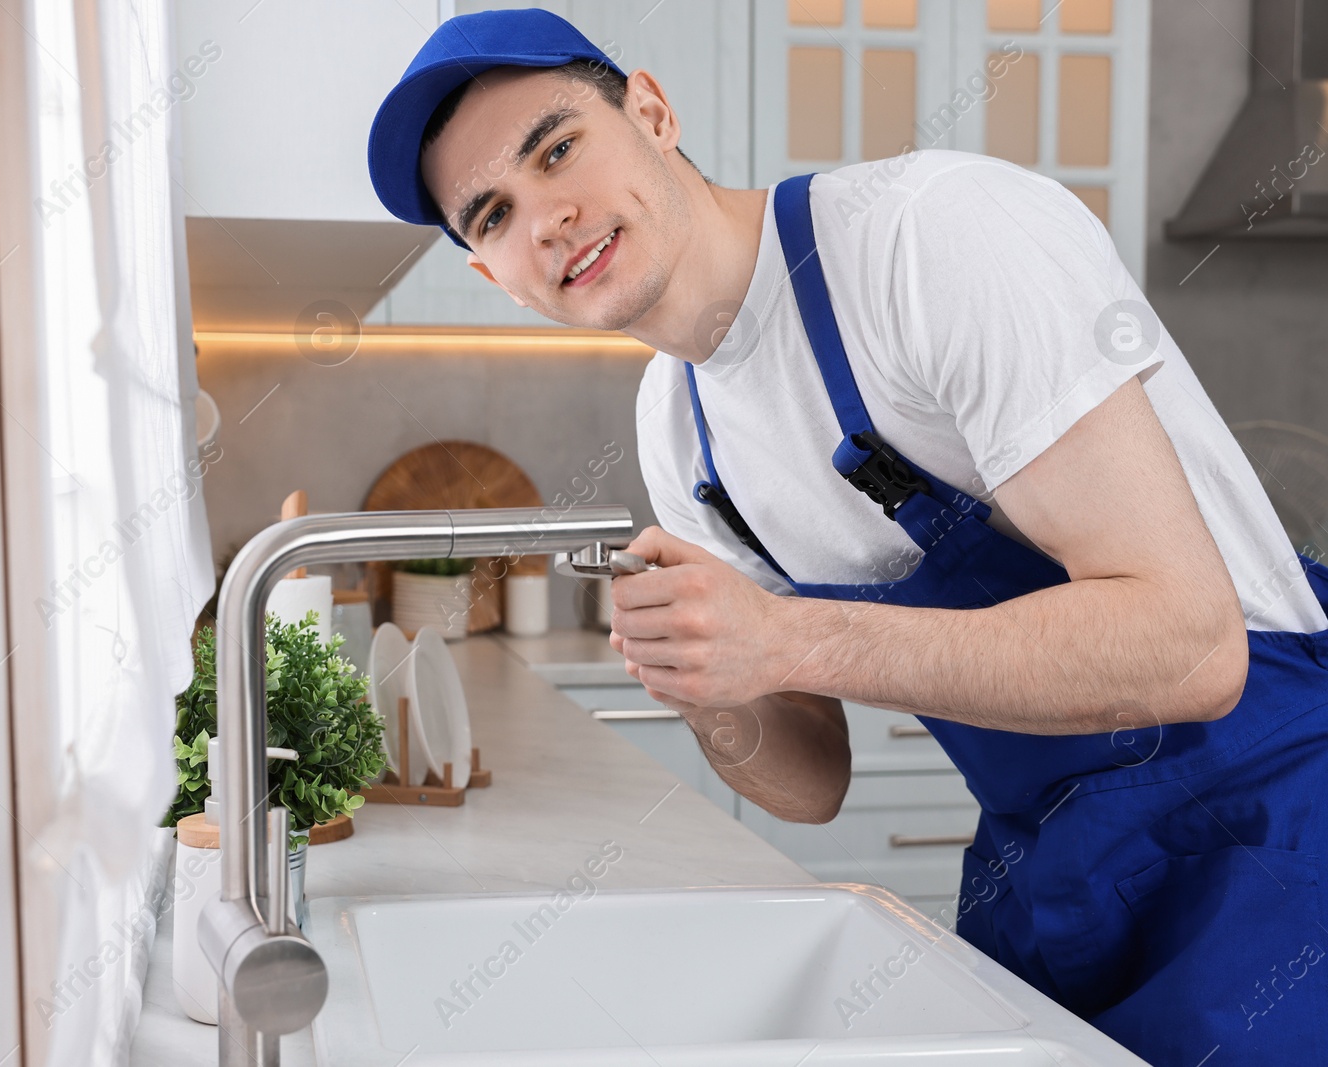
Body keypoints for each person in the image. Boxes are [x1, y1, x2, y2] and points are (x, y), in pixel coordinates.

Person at [367, 8, 1328, 1062]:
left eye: (557, 149)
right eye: (494, 215)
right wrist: (705, 685)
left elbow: (1188, 647)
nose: (546, 217)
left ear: (649, 109)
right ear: (487, 274)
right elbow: (808, 779)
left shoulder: (929, 237)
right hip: (1053, 877)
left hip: (1276, 834)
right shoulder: (678, 426)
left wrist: (785, 637)